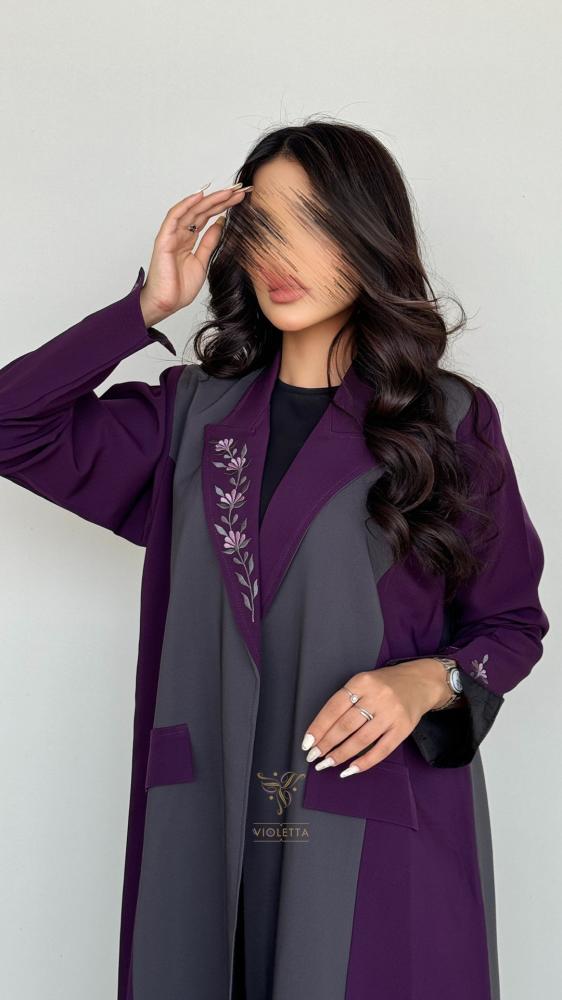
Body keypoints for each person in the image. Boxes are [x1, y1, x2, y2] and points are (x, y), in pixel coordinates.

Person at [0, 119, 549, 1000]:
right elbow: (11, 425)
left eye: (314, 223)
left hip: (373, 819)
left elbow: (511, 623)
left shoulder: (447, 423)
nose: (280, 256)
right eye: (261, 225)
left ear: (368, 236)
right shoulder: (189, 420)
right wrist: (144, 307)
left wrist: (429, 681)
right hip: (210, 812)